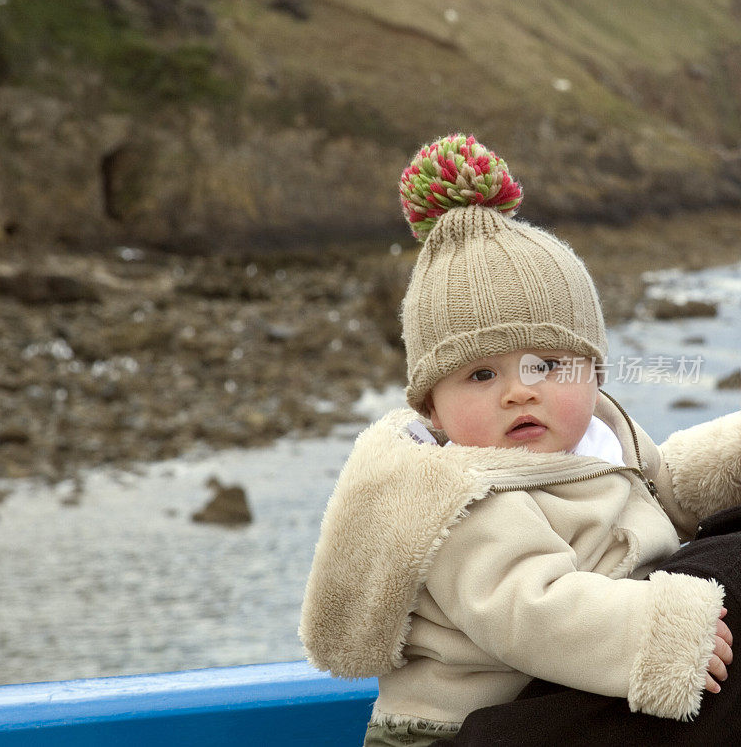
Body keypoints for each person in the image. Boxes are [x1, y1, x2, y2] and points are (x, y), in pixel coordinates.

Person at [298, 134, 741, 747]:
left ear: (592, 371)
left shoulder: (597, 438)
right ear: (432, 405)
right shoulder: (461, 497)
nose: (520, 391)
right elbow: (530, 609)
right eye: (481, 374)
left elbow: (665, 494)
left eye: (550, 364)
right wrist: (653, 632)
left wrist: (731, 459)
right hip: (453, 729)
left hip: (564, 700)